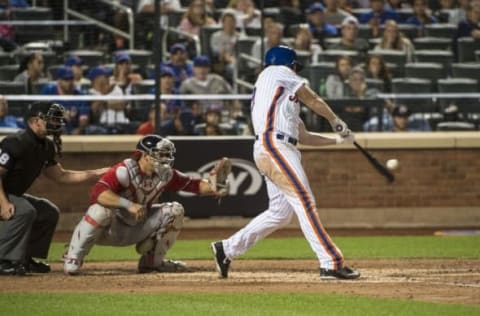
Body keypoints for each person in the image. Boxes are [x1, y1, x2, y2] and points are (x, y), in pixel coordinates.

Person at [210, 45, 360, 280]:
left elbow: (305, 137)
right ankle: (331, 263)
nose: (294, 70)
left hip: (277, 148)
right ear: (285, 63)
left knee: (280, 213)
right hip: (274, 146)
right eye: (293, 66)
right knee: (305, 201)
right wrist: (335, 120)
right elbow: (313, 98)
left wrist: (339, 141)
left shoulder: (280, 101)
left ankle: (227, 249)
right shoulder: (275, 72)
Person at [63, 134, 228, 275]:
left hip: (137, 226)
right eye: (160, 154)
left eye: (166, 154)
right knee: (99, 211)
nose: (165, 159)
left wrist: (215, 186)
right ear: (145, 155)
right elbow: (98, 193)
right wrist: (129, 205)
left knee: (175, 210)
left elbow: (195, 185)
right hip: (108, 229)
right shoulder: (124, 170)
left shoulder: (166, 175)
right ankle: (74, 256)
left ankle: (152, 262)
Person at [0, 102, 107, 276]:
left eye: (57, 120)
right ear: (36, 121)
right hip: (2, 194)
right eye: (51, 120)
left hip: (10, 194)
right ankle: (3, 260)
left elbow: (61, 176)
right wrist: (4, 203)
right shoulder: (15, 142)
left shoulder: (45, 146)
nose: (56, 124)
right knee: (25, 211)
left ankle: (26, 258)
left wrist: (97, 173)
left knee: (48, 211)